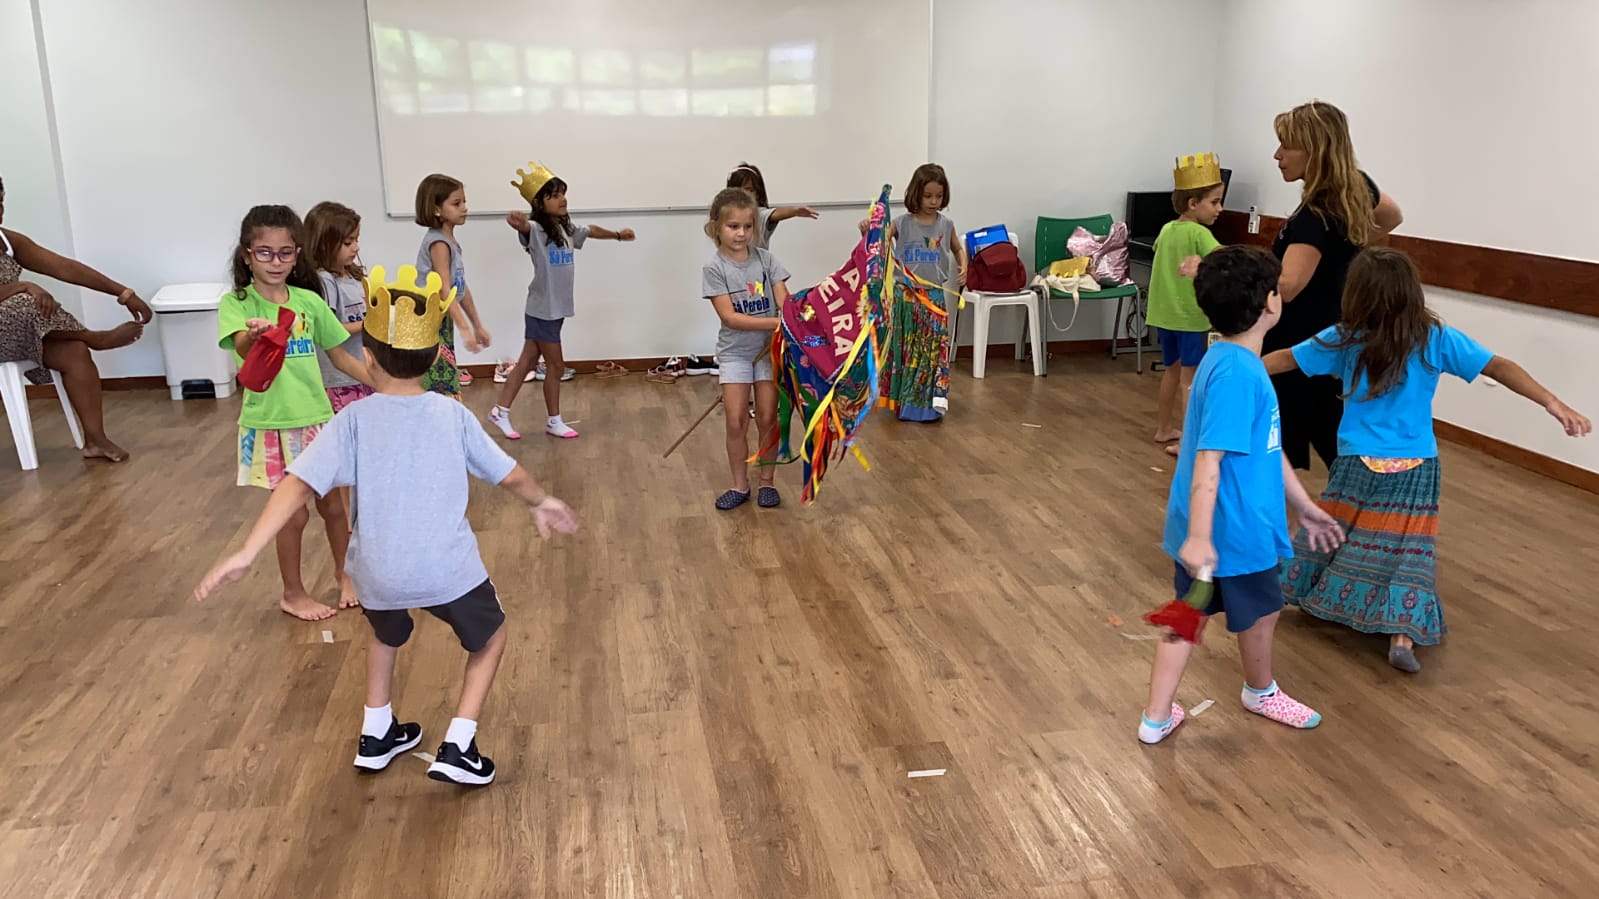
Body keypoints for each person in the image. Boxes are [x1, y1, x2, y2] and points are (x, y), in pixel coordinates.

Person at [196, 264, 578, 786]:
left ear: (369, 358)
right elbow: (509, 475)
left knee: (385, 632)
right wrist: (542, 501)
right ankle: (459, 745)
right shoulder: (452, 414)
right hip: (446, 571)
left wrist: (247, 551)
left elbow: (297, 483)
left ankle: (377, 733)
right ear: (435, 357)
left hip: (374, 574)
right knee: (490, 638)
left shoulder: (351, 419)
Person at [1268, 248, 1591, 673]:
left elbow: (1287, 358)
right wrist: (1552, 402)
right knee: (1409, 551)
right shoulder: (1434, 338)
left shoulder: (1346, 336)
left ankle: (1281, 593)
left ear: (1357, 294)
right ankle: (1402, 635)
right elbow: (1498, 366)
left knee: (1334, 529)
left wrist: (1236, 366)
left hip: (1356, 460)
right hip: (1415, 464)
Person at [1139, 245, 1345, 745]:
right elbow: (1209, 459)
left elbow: (1267, 450)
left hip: (1216, 528)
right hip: (1232, 532)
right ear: (1271, 302)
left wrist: (1303, 506)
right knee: (1256, 612)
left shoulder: (1222, 358)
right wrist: (1201, 537)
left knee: (1187, 614)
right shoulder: (1239, 375)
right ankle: (1259, 691)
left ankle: (1156, 717)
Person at [218, 205, 370, 622]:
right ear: (247, 254)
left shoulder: (309, 302)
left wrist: (385, 386)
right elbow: (241, 349)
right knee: (293, 513)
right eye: (264, 253)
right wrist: (255, 338)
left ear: (297, 254)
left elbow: (340, 356)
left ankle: (345, 574)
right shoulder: (236, 303)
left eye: (285, 252)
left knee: (334, 507)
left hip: (317, 420)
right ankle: (293, 592)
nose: (275, 262)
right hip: (271, 425)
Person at [1267, 100, 1404, 471]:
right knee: (1332, 435)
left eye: (1287, 146)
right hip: (1333, 333)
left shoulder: (1316, 215)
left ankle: (1342, 503)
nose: (1278, 155)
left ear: (1315, 151)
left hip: (1302, 342)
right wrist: (1349, 244)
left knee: (1295, 444)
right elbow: (1392, 215)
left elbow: (1288, 286)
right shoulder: (1356, 189)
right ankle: (1354, 501)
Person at [0, 175, 149, 462]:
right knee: (25, 302)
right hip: (9, 328)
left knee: (74, 352)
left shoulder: (7, 240)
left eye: (0, 203)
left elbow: (64, 268)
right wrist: (21, 286)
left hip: (15, 336)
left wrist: (124, 293)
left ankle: (96, 441)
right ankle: (93, 337)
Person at [488, 163, 635, 440]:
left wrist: (617, 235)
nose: (562, 199)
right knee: (556, 366)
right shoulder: (536, 229)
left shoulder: (565, 228)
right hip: (543, 309)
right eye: (554, 195)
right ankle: (553, 420)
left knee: (527, 362)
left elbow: (590, 230)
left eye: (563, 193)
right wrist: (518, 223)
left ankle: (500, 411)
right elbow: (525, 228)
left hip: (553, 309)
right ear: (540, 203)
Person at [702, 187, 792, 510]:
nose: (741, 233)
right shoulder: (714, 268)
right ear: (717, 227)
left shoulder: (766, 260)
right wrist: (776, 323)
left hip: (768, 353)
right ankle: (739, 485)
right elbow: (730, 317)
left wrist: (794, 317)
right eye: (733, 226)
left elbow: (785, 300)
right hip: (735, 354)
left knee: (768, 417)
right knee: (736, 420)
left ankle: (767, 481)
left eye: (747, 226)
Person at [305, 201, 370, 609]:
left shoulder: (350, 277)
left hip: (362, 379)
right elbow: (329, 331)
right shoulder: (323, 282)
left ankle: (363, 559)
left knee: (363, 474)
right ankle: (344, 568)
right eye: (347, 242)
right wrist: (369, 324)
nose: (355, 247)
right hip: (337, 385)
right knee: (341, 483)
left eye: (356, 239)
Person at [1148, 153, 1225, 456]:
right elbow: (1223, 260)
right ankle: (1188, 442)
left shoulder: (1167, 229)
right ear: (1193, 203)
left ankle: (1164, 428)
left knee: (1172, 372)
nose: (1220, 209)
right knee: (1190, 380)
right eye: (1214, 202)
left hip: (1164, 316)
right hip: (1190, 318)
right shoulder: (1199, 233)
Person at [881, 163, 967, 422]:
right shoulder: (901, 223)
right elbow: (879, 240)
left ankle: (929, 404)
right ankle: (905, 402)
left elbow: (957, 248)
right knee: (907, 349)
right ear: (916, 193)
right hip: (907, 297)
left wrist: (964, 265)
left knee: (931, 350)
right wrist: (869, 228)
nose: (933, 202)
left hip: (934, 298)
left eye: (939, 196)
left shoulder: (946, 224)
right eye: (928, 195)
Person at [413, 173, 490, 395]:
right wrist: (465, 329)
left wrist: (477, 325)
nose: (464, 208)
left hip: (441, 317)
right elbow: (444, 289)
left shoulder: (449, 241)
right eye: (456, 203)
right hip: (429, 320)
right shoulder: (439, 243)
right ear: (437, 209)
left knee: (444, 376)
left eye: (464, 201)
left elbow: (460, 289)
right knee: (437, 379)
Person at [724, 162, 819, 251]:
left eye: (750, 190)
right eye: (739, 191)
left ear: (757, 193)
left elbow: (774, 214)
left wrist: (794, 211)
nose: (744, 195)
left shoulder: (759, 214)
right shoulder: (724, 214)